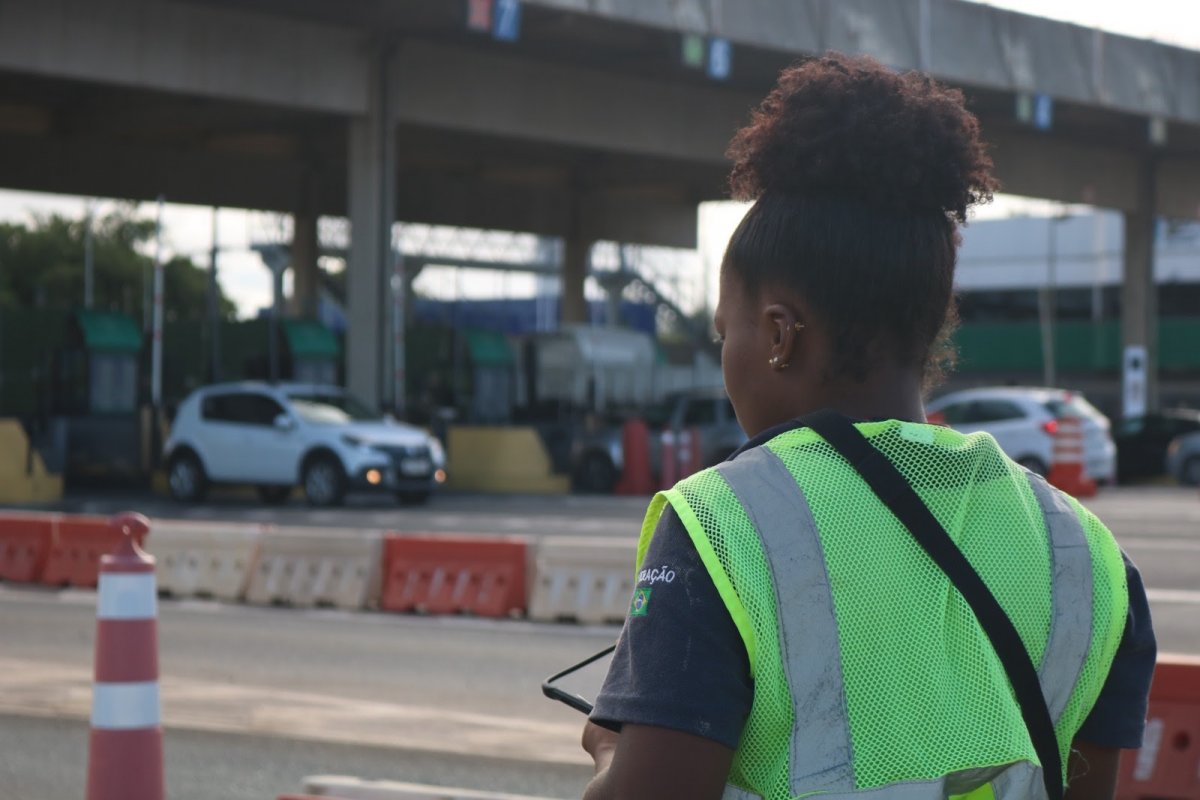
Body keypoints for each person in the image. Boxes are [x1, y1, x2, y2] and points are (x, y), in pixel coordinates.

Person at [580, 53, 1155, 800]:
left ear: (781, 336)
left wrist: (605, 749)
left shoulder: (727, 526)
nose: (728, 359)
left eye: (729, 334)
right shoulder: (1088, 559)